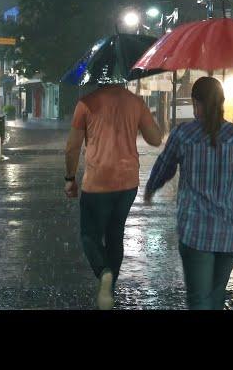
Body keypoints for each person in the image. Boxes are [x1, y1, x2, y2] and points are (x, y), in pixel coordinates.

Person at [144, 77, 233, 310]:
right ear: (222, 102)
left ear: (195, 103)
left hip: (196, 232)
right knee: (216, 298)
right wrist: (229, 183)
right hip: (231, 232)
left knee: (198, 300)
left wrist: (150, 190)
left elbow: (164, 167)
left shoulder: (184, 134)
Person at [64, 83, 163, 310]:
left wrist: (70, 178)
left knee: (90, 234)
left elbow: (72, 147)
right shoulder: (136, 102)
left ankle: (103, 272)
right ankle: (109, 290)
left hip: (97, 182)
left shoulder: (86, 103)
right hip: (127, 184)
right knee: (115, 233)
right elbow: (155, 139)